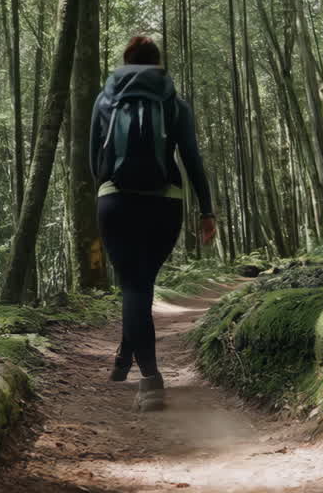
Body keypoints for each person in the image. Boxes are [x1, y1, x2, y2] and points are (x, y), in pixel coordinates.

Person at [89, 35, 216, 412]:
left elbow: (91, 157)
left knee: (134, 286)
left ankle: (149, 380)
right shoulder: (174, 102)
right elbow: (191, 158)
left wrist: (107, 188)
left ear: (126, 62)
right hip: (166, 204)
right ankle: (124, 360)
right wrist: (207, 211)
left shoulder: (105, 98)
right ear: (158, 64)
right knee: (141, 285)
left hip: (115, 200)